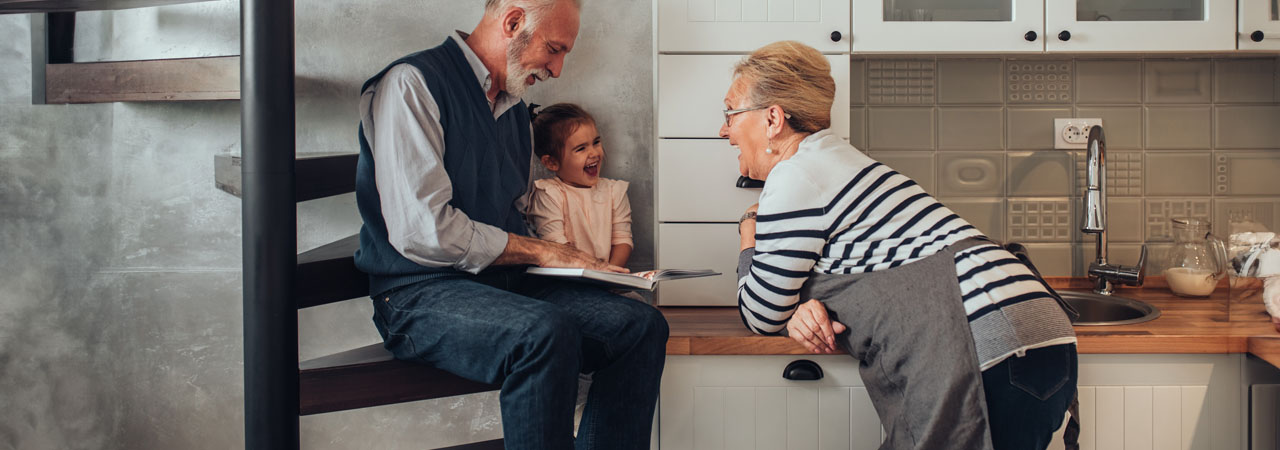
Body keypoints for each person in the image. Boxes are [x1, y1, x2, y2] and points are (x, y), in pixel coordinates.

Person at [724, 41, 1078, 450]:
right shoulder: (844, 162)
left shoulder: (795, 176)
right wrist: (800, 305)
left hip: (984, 350)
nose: (724, 130)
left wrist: (748, 231)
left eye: (730, 113)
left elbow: (761, 312)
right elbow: (861, 265)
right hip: (1040, 339)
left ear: (772, 119)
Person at [352, 1, 668, 448]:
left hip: (503, 283)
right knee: (544, 333)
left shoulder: (517, 110)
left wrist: (585, 269)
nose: (557, 70)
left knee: (640, 326)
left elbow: (514, 214)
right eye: (554, 49)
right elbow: (425, 232)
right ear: (513, 22)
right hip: (416, 292)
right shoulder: (411, 85)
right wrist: (545, 252)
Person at [527, 103, 634, 270]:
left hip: (607, 277)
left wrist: (609, 276)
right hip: (566, 277)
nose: (594, 153)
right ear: (552, 162)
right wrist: (596, 271)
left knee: (635, 298)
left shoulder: (614, 191)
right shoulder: (549, 194)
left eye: (596, 142)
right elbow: (557, 246)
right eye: (581, 148)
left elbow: (622, 240)